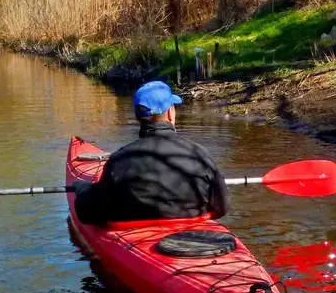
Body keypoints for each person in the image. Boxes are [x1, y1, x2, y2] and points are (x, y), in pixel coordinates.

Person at [73, 81, 229, 225]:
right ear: (170, 113)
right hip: (194, 236)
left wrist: (81, 189)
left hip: (134, 234)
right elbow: (222, 207)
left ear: (138, 117)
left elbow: (87, 214)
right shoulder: (200, 154)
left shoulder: (120, 160)